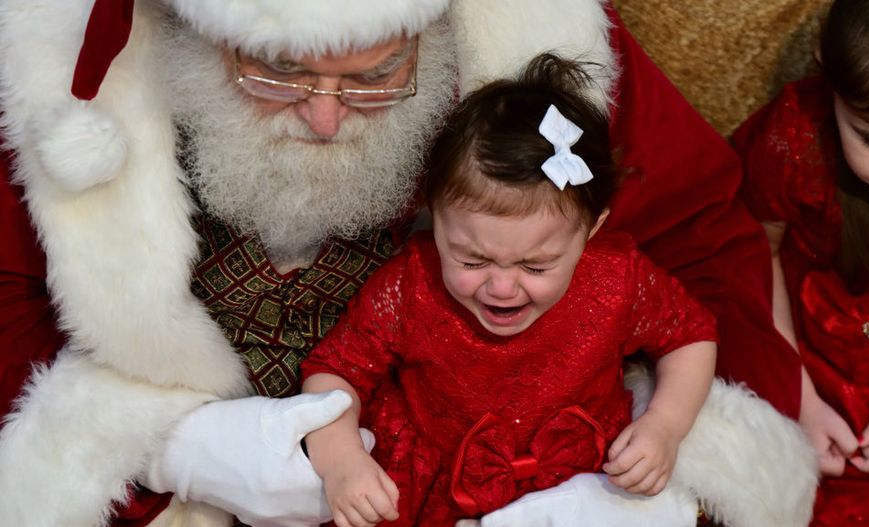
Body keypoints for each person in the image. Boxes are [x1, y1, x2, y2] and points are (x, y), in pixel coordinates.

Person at [0, 0, 812, 526]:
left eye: (377, 75)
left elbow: (702, 238)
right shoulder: (65, 72)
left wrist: (655, 463)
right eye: (276, 72)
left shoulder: (534, 40)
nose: (323, 118)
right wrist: (174, 445)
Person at [300, 54, 718, 527]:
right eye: (471, 260)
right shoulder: (411, 284)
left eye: (536, 265)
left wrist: (665, 425)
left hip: (583, 485)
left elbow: (690, 336)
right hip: (432, 491)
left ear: (591, 231)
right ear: (435, 222)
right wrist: (340, 460)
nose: (501, 287)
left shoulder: (616, 278)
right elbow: (334, 372)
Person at [733, 0, 869, 524]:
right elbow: (758, 247)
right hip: (801, 347)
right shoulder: (798, 136)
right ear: (828, 73)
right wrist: (795, 391)